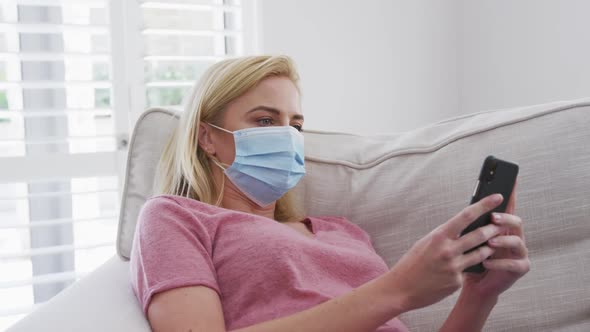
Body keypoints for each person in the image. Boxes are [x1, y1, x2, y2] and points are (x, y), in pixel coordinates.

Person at [129, 55, 530, 332]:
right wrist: (398, 291)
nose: (287, 136)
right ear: (207, 137)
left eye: (296, 125)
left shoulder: (344, 232)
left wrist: (479, 296)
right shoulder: (175, 217)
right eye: (266, 120)